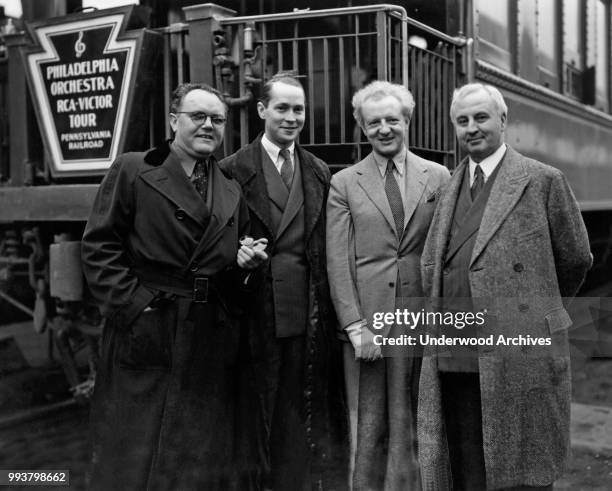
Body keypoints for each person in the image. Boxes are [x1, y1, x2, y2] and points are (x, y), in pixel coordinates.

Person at [82, 83, 267, 491]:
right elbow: (99, 246)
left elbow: (232, 271)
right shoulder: (134, 168)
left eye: (217, 119)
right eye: (197, 116)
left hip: (208, 338)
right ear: (173, 120)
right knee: (136, 455)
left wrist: (246, 265)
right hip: (152, 327)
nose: (208, 126)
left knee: (197, 460)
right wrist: (135, 306)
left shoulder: (230, 186)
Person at [417, 83, 592, 490]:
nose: (472, 128)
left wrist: (535, 312)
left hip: (518, 351)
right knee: (464, 465)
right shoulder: (449, 187)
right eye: (462, 121)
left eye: (481, 117)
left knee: (519, 469)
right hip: (454, 354)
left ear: (503, 120)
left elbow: (576, 259)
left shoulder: (542, 180)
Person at [220, 72, 343, 490]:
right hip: (254, 316)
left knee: (297, 416)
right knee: (252, 421)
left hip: (304, 315)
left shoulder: (317, 170)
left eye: (299, 110)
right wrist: (238, 257)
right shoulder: (232, 169)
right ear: (261, 111)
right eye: (282, 108)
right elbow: (216, 247)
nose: (292, 118)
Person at [326, 80, 451, 490]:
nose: (384, 129)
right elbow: (339, 260)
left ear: (407, 121)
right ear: (363, 128)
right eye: (373, 122)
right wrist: (355, 326)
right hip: (369, 325)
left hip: (421, 320)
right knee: (369, 425)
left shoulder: (438, 177)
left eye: (392, 120)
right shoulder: (344, 182)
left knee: (417, 422)